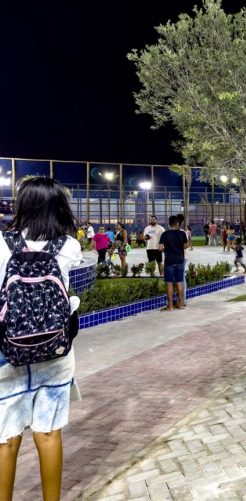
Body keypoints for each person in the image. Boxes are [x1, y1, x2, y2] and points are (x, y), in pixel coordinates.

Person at [0, 177, 83, 501]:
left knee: (6, 439)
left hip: (8, 350)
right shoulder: (69, 246)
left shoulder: (2, 243)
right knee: (48, 433)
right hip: (55, 349)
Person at [159, 215, 189, 311]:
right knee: (180, 282)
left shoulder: (165, 234)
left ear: (169, 224)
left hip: (169, 261)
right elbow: (186, 246)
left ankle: (170, 306)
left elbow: (160, 248)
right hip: (180, 260)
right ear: (177, 224)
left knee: (169, 283)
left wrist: (166, 250)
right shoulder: (182, 234)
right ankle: (180, 304)